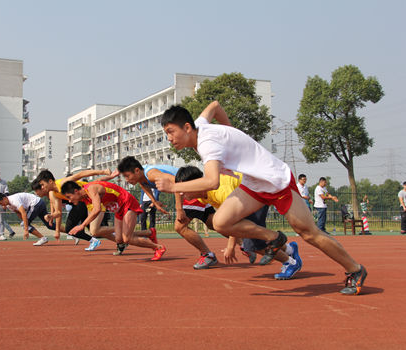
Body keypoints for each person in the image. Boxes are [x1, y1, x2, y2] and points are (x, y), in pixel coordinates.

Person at [156, 102, 366, 295]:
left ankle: (355, 269)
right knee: (221, 222)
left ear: (186, 127)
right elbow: (215, 106)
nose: (169, 138)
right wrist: (231, 134)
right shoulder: (200, 124)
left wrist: (174, 186)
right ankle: (274, 238)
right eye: (166, 133)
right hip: (253, 184)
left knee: (308, 233)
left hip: (275, 181)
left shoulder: (207, 144)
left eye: (170, 132)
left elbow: (212, 181)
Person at [175, 166, 303, 280]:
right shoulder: (202, 195)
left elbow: (233, 218)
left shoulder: (220, 190)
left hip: (258, 192)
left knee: (254, 243)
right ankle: (290, 249)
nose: (181, 194)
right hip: (250, 196)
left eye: (183, 189)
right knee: (250, 241)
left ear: (195, 184)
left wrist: (231, 246)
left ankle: (290, 262)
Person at [115, 156, 218, 269]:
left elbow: (177, 182)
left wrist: (179, 209)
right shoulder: (141, 177)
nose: (126, 180)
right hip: (190, 191)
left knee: (180, 227)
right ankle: (239, 235)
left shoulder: (152, 174)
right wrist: (155, 201)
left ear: (136, 170)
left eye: (127, 176)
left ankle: (207, 254)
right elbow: (144, 186)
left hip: (190, 191)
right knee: (215, 224)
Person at [61, 180, 166, 260]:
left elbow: (97, 209)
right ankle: (149, 233)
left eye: (69, 197)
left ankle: (158, 247)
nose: (69, 200)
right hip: (119, 208)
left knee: (126, 238)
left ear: (76, 191)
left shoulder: (91, 189)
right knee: (119, 239)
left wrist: (82, 225)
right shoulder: (85, 198)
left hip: (127, 202)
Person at [35, 169, 121, 251]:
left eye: (42, 184)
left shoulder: (62, 183)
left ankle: (121, 230)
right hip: (86, 202)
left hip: (93, 198)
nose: (42, 187)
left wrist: (103, 171)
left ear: (50, 181)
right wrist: (51, 216)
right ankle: (120, 241)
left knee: (94, 230)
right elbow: (58, 212)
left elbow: (82, 174)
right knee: (96, 230)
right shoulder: (53, 194)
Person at [31, 178, 99, 249]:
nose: (36, 193)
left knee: (69, 229)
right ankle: (103, 235)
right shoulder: (50, 194)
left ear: (42, 189)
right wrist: (51, 216)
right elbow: (52, 204)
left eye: (36, 190)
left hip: (79, 203)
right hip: (79, 203)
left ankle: (94, 240)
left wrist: (57, 230)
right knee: (93, 229)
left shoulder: (53, 193)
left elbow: (59, 212)